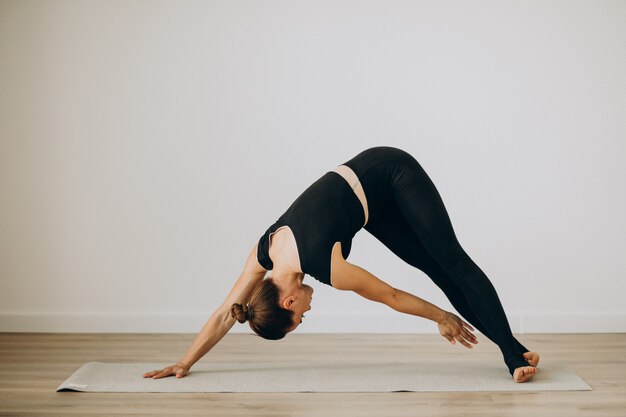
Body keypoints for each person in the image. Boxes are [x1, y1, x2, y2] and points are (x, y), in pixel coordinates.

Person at [143, 146, 540, 383]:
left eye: (300, 318)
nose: (308, 312)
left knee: (451, 259)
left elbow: (391, 295)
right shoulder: (265, 252)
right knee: (436, 269)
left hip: (391, 170)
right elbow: (225, 315)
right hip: (373, 205)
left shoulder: (324, 262)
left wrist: (440, 317)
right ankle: (517, 352)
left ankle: (510, 355)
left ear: (288, 302)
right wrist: (185, 362)